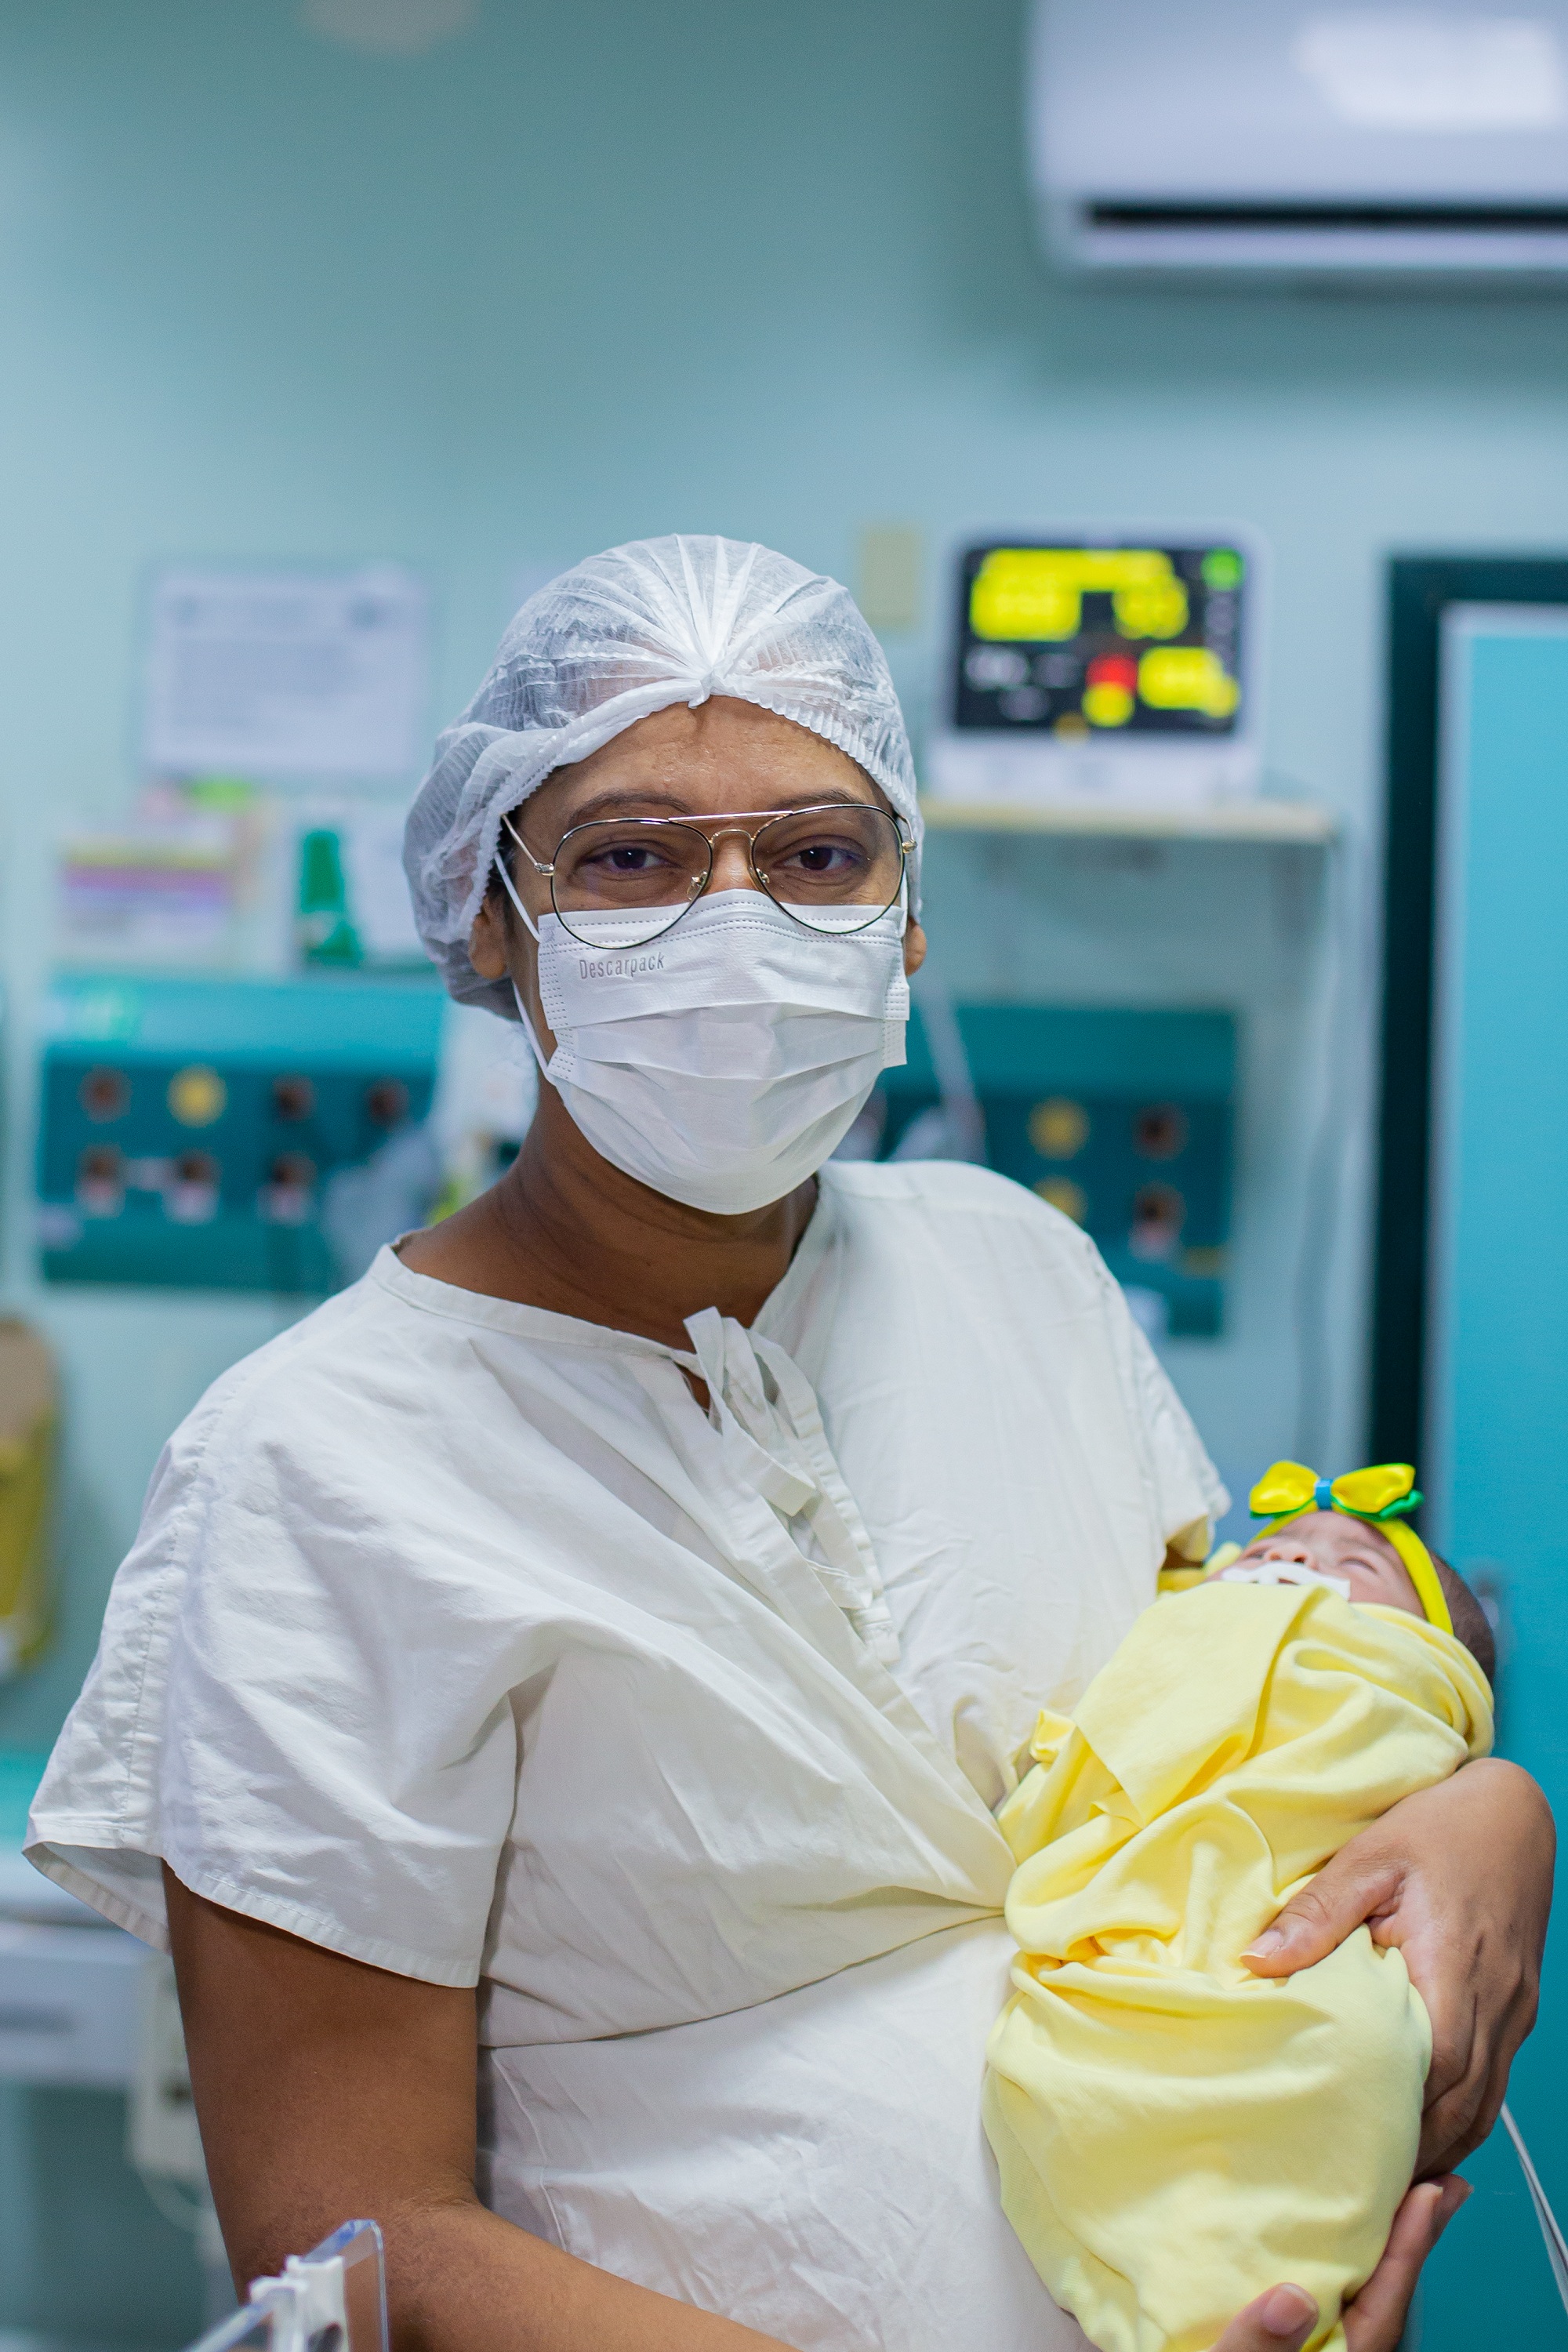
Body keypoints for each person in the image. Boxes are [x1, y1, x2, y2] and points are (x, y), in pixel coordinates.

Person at [23, 539, 1552, 2352]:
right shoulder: (320, 1463)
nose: (732, 923)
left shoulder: (1016, 1265)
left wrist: (1486, 1807)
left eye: (815, 852)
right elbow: (363, 2238)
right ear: (491, 912)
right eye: (630, 857)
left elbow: (1225, 1748)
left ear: (904, 911)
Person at [985, 1465, 1496, 2352]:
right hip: (1127, 1956)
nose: (1296, 1550)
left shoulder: (1385, 1681)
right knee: (1083, 2093)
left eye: (1359, 1565)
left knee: (1343, 2048)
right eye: (1263, 1550)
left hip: (1304, 1969)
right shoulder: (1179, 1633)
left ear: (1429, 1646)